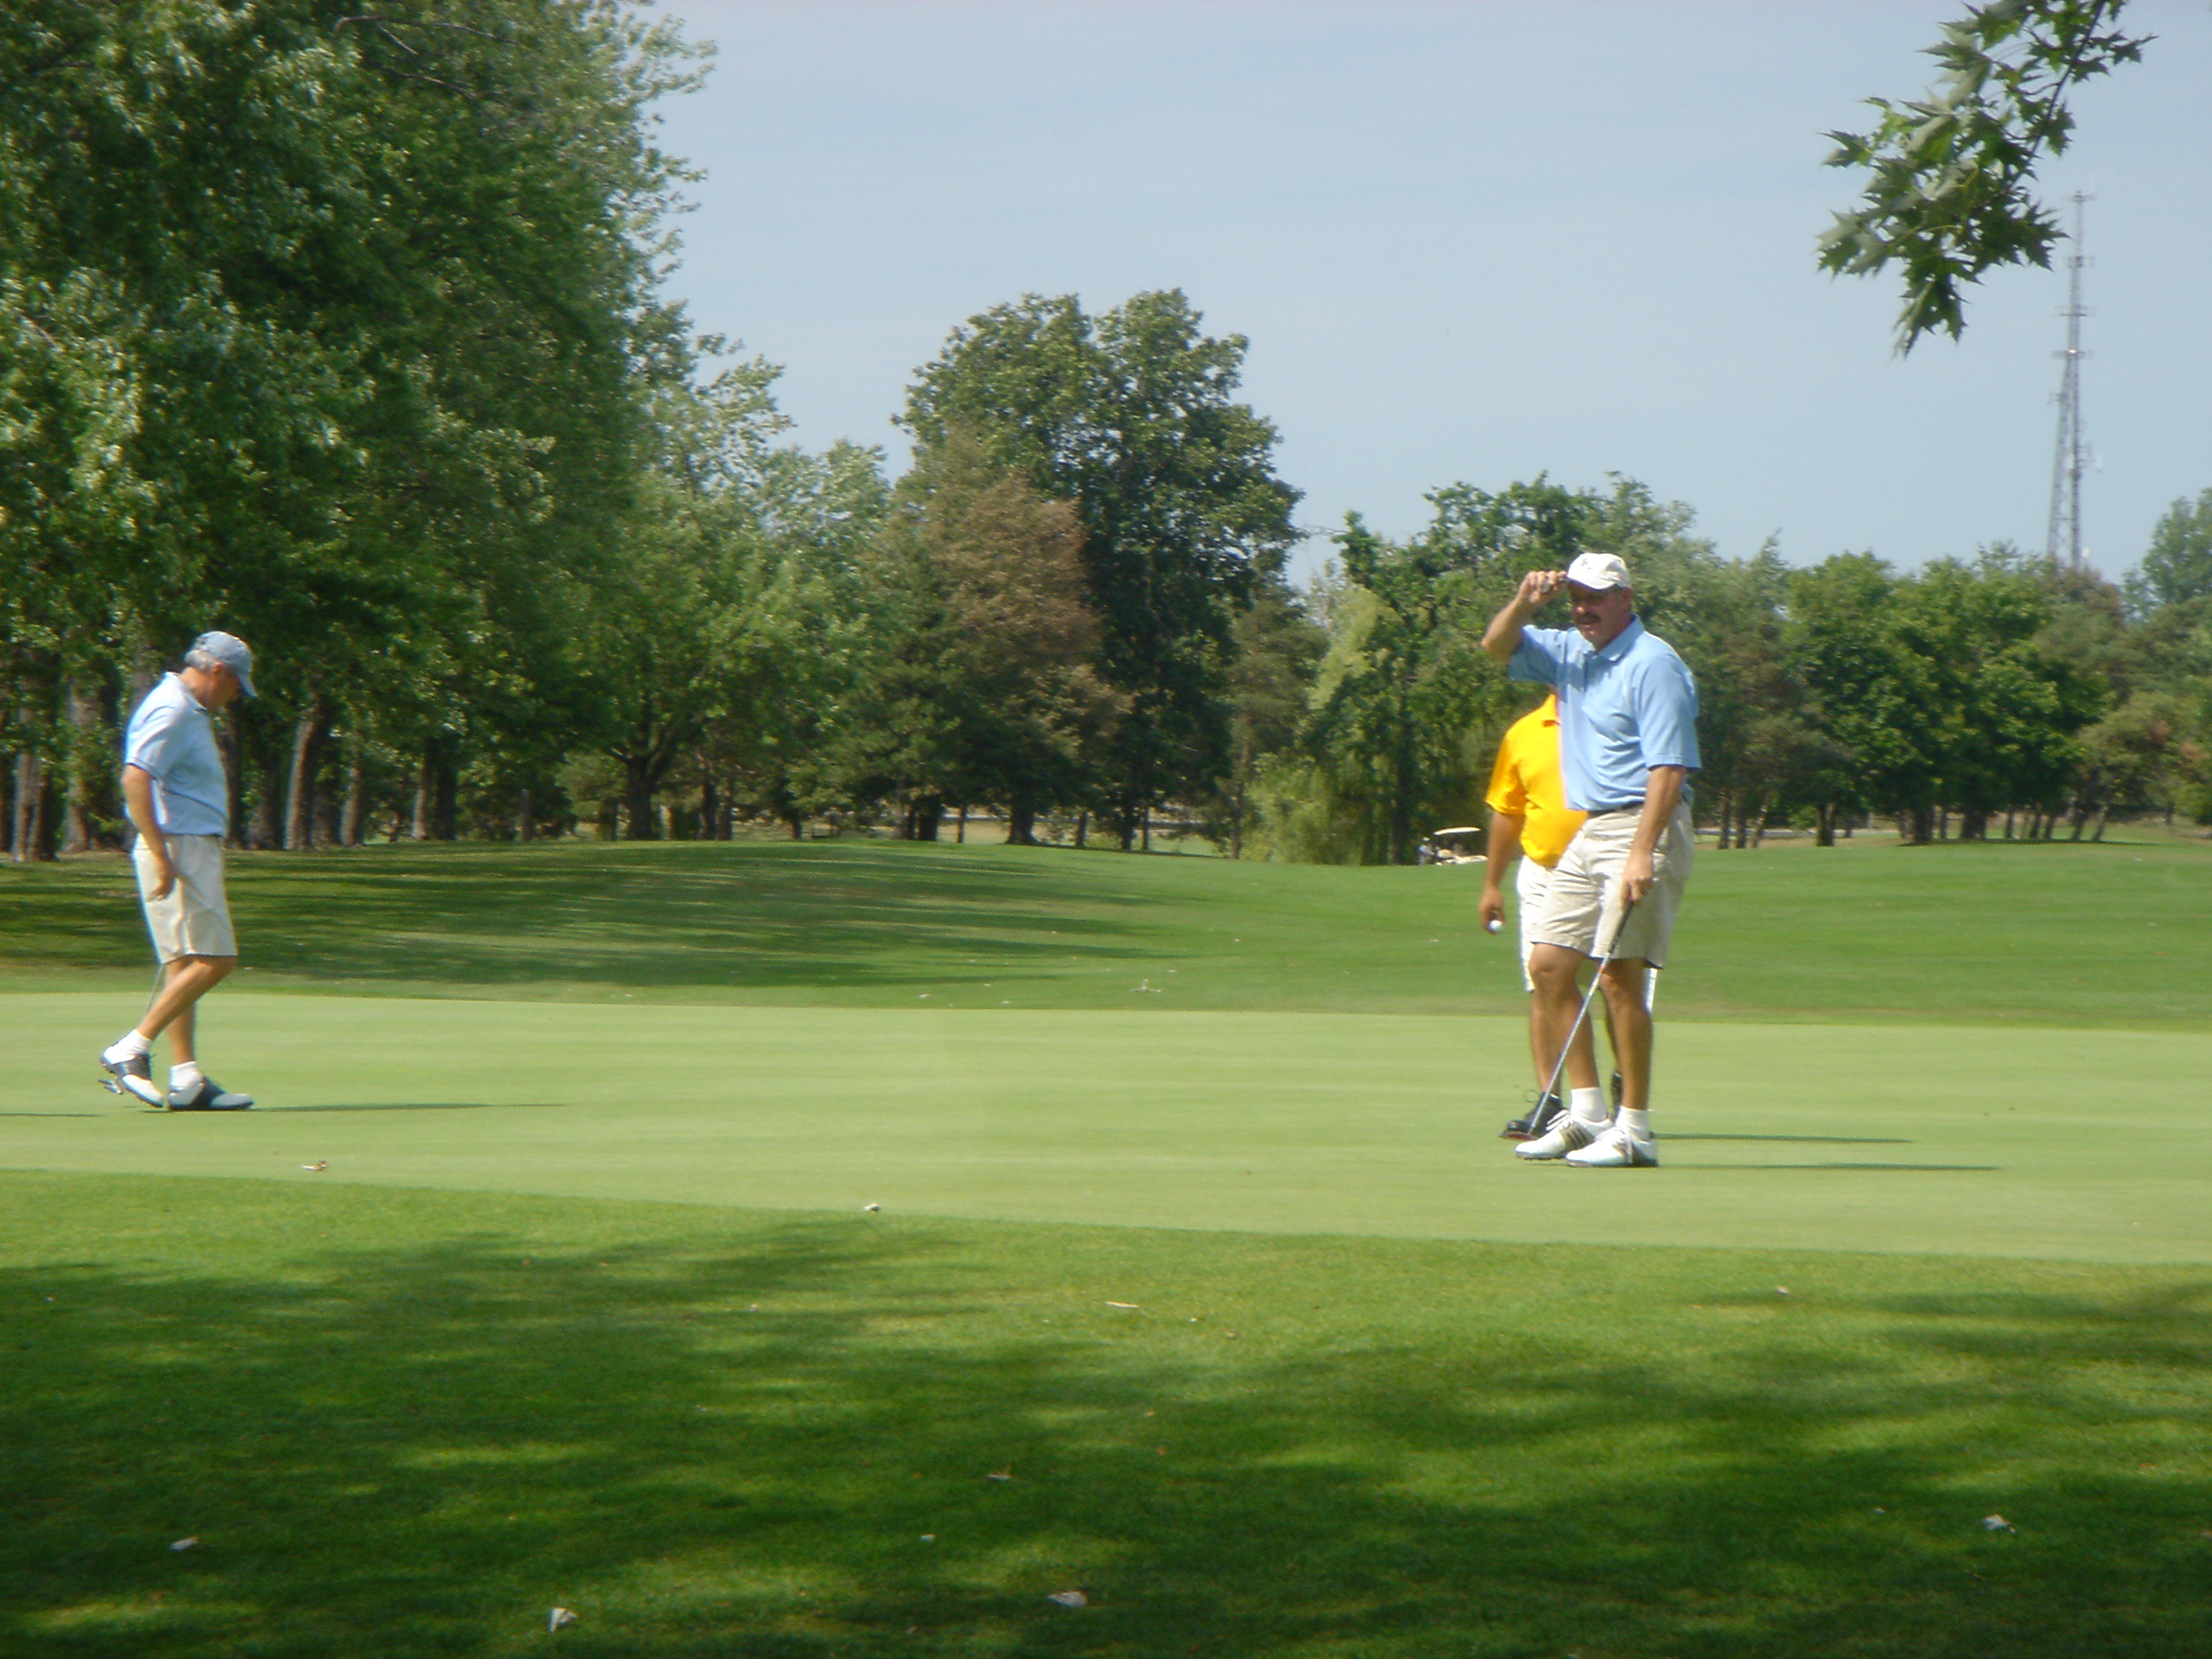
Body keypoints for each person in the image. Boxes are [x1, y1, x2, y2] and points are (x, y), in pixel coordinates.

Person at [1480, 552, 1697, 1168]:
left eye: (1596, 597)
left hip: (1642, 823)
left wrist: (1639, 852)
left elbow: (1669, 766)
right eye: (1576, 596)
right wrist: (1525, 602)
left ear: (1626, 598)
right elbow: (1496, 645)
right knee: (1548, 965)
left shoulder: (1653, 662)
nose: (1584, 608)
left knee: (1619, 977)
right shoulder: (1571, 649)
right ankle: (1586, 1114)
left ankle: (1635, 1131)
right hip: (1592, 826)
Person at [1481, 692, 1659, 1140]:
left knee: (1617, 981)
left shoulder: (1616, 722)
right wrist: (1491, 883)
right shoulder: (1524, 732)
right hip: (1543, 869)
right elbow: (1508, 811)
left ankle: (1624, 1093)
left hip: (1613, 864)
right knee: (1544, 979)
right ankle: (1551, 1103)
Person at [98, 632, 259, 1111]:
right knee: (217, 959)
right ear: (218, 672)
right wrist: (160, 851)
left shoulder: (187, 708)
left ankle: (186, 1077)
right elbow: (135, 777)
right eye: (235, 686)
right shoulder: (172, 708)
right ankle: (130, 1048)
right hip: (180, 845)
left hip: (181, 844)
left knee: (183, 965)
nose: (235, 696)